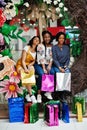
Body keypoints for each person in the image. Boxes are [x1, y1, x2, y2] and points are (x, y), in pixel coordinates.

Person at [16, 36, 40, 103]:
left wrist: (29, 65)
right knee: (24, 72)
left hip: (28, 64)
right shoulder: (27, 48)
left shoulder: (37, 50)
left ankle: (27, 93)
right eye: (35, 39)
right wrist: (25, 68)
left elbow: (34, 61)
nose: (36, 41)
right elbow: (23, 60)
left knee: (32, 69)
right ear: (32, 40)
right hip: (21, 64)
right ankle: (31, 94)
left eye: (38, 40)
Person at [34, 30, 55, 103]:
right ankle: (39, 94)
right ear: (43, 38)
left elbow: (53, 56)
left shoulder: (52, 46)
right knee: (42, 74)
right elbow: (41, 57)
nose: (47, 38)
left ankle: (48, 92)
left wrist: (49, 65)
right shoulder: (40, 46)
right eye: (45, 37)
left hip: (48, 63)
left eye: (48, 37)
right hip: (39, 64)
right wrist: (44, 68)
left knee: (52, 72)